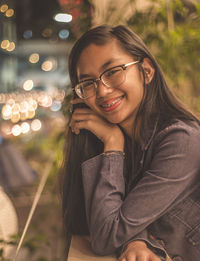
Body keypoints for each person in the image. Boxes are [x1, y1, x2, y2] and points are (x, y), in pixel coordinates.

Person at [61, 25, 200, 261]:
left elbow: (107, 235)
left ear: (146, 71)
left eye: (113, 71)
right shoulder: (126, 143)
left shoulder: (181, 141)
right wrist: (136, 239)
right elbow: (114, 219)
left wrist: (113, 143)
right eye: (88, 83)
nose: (102, 91)